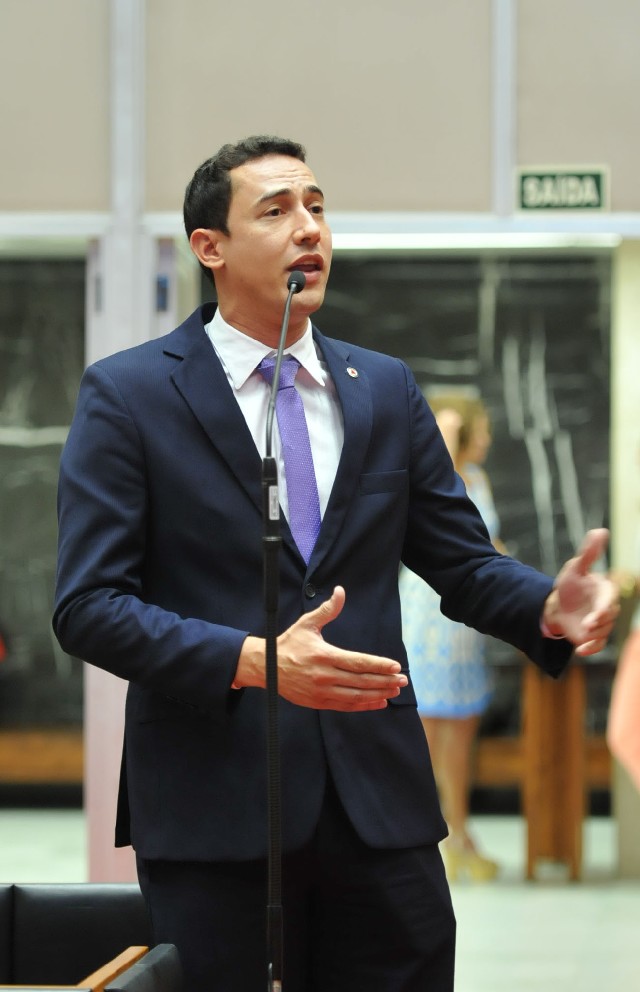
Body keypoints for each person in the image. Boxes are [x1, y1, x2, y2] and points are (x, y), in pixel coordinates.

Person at [53, 135, 619, 992]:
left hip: (380, 807)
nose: (309, 228)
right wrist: (255, 660)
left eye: (317, 207)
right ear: (210, 247)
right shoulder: (130, 394)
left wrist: (547, 607)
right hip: (214, 808)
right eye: (276, 210)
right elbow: (89, 604)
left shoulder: (383, 388)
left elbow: (463, 563)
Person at [399, 393, 505, 882]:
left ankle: (459, 832)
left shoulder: (479, 479)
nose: (485, 437)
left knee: (461, 730)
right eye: (477, 428)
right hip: (428, 614)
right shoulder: (438, 476)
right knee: (425, 727)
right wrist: (446, 422)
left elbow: (486, 542)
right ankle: (433, 838)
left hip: (466, 622)